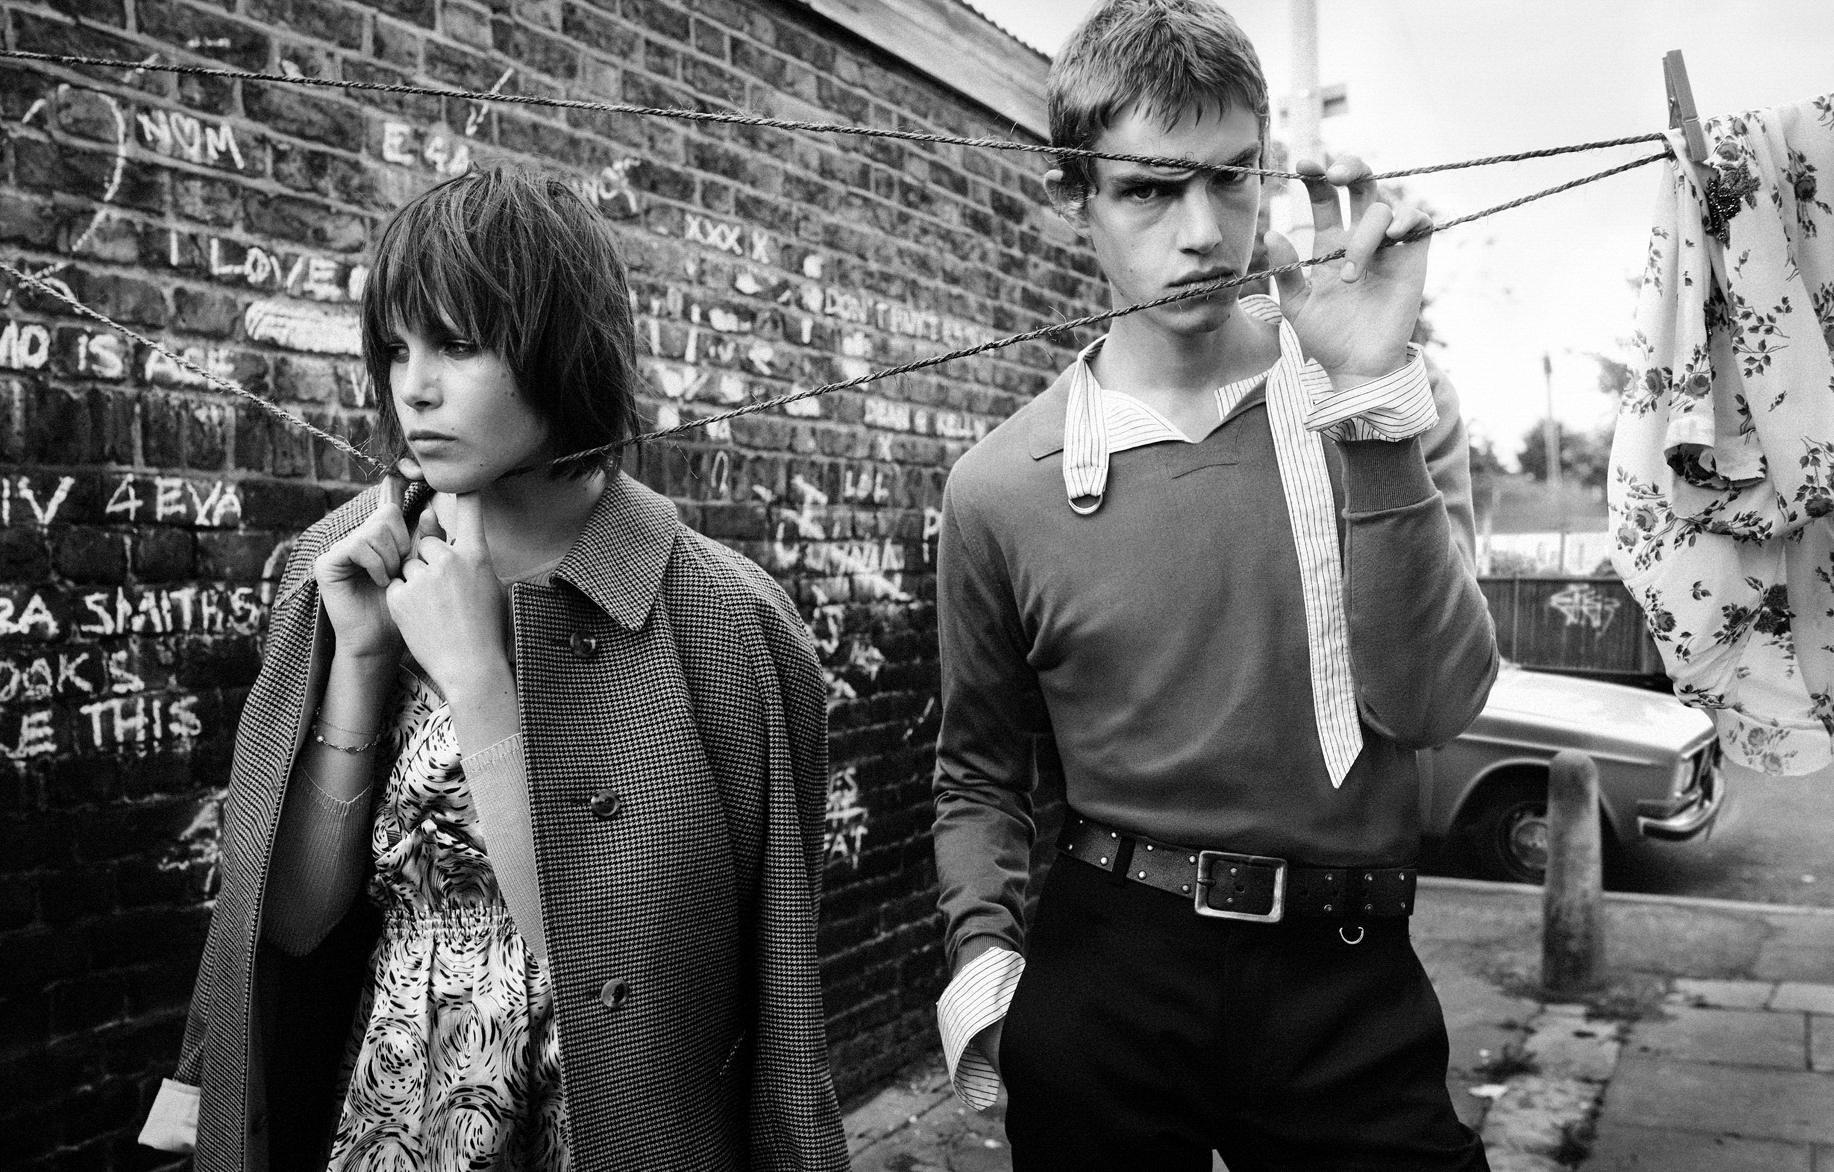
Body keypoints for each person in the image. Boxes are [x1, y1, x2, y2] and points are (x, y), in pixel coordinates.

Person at [139, 170, 848, 1172]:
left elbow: (670, 988)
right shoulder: (338, 565)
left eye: (459, 344)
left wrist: (478, 680)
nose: (413, 386)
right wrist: (363, 662)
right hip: (387, 1120)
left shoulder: (725, 623)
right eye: (395, 347)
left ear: (563, 346)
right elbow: (293, 923)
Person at [928, 2, 1499, 1169]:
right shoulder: (998, 487)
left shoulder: (1380, 390)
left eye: (1232, 179)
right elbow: (979, 766)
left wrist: (1371, 403)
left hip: (1349, 971)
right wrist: (986, 978)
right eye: (1146, 190)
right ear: (1071, 197)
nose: (1202, 232)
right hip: (1113, 960)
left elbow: (1434, 703)